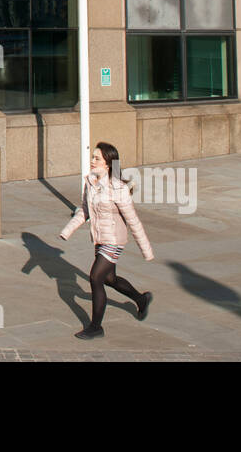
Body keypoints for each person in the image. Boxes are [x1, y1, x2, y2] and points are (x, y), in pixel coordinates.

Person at [59, 142, 154, 339]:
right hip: (100, 239)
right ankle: (141, 299)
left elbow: (133, 220)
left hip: (114, 241)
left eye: (97, 158)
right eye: (92, 157)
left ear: (108, 163)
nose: (92, 161)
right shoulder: (90, 182)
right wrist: (67, 230)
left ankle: (96, 327)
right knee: (110, 279)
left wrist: (146, 250)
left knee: (95, 278)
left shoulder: (118, 188)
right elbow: (84, 210)